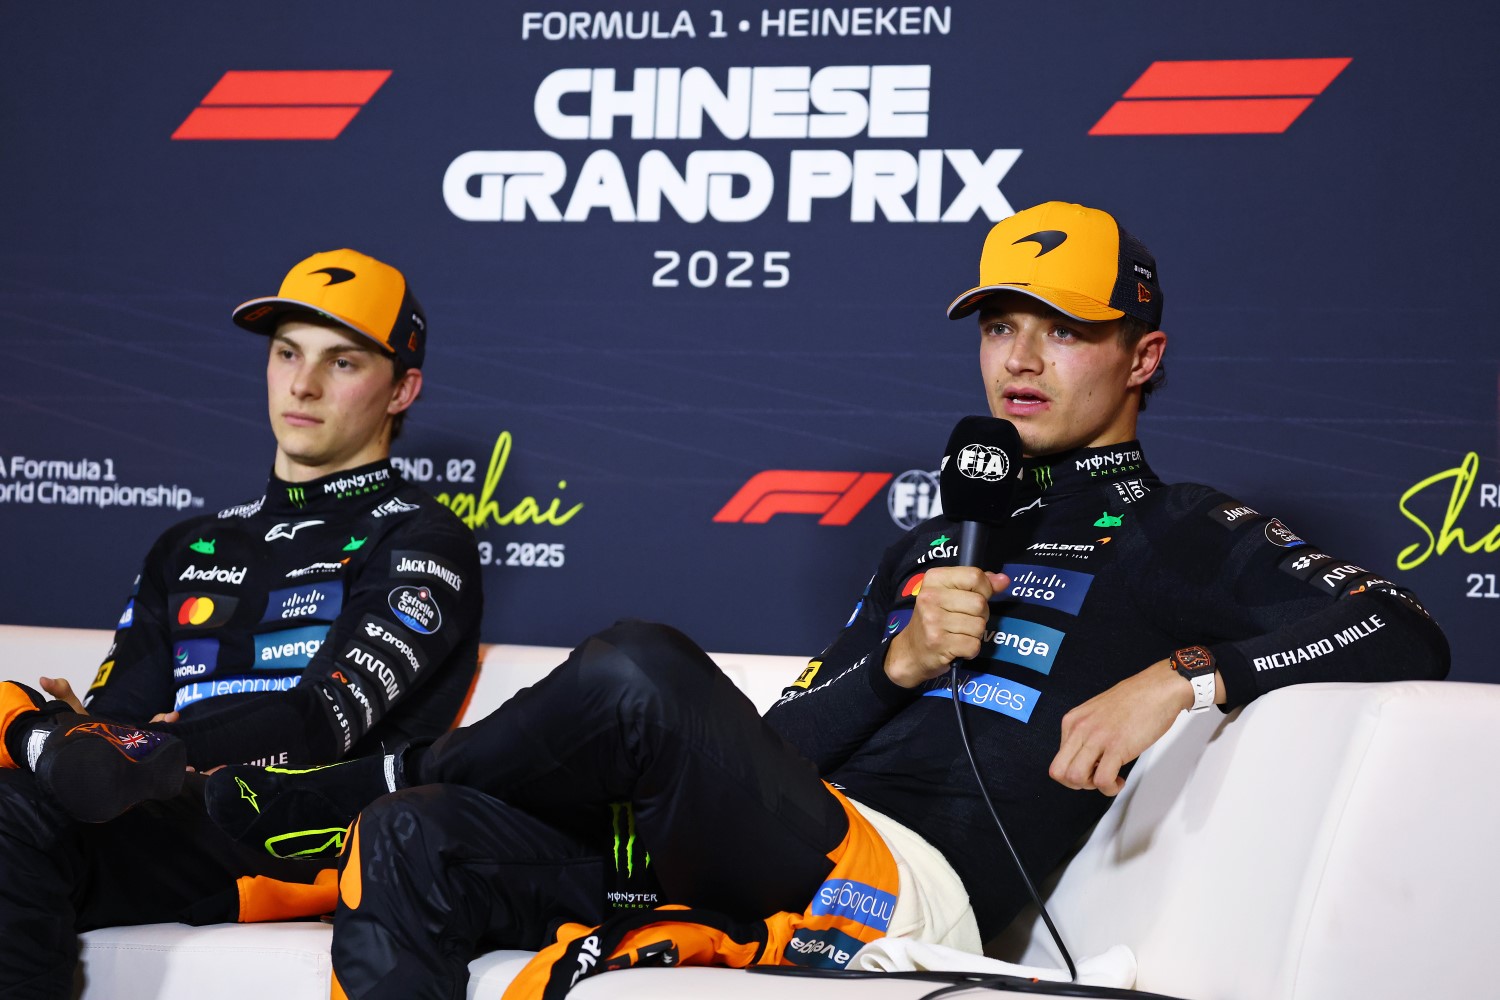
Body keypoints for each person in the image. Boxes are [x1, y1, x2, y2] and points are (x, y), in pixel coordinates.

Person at [208, 202, 1449, 1000]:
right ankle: (377, 795)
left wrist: (1187, 671)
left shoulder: (1188, 529)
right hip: (775, 845)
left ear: (1144, 355)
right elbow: (783, 744)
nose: (1019, 359)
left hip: (913, 888)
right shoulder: (935, 536)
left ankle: (337, 784)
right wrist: (899, 663)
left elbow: (1405, 624)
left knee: (639, 666)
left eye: (1061, 331)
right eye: (1000, 326)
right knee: (418, 837)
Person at [0, 249, 483, 999]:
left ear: (402, 389)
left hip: (298, 826)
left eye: (343, 363)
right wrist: (88, 736)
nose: (303, 384)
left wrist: (153, 744)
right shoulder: (187, 546)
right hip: (166, 813)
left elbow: (320, 720)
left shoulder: (423, 539)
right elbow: (116, 721)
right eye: (287, 353)